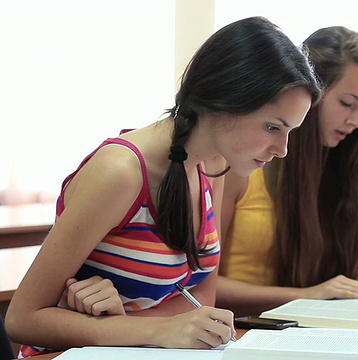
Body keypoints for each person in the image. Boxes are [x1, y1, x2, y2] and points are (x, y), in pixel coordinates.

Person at [5, 16, 320, 357]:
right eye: (273, 127)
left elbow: (201, 302)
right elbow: (22, 319)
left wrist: (128, 321)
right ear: (223, 101)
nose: (283, 149)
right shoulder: (120, 172)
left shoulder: (215, 164)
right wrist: (151, 326)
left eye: (291, 131)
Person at [215, 26, 358, 317]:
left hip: (316, 331)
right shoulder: (241, 166)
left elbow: (327, 282)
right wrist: (307, 296)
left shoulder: (345, 169)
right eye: (347, 103)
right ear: (309, 93)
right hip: (244, 334)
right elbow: (201, 287)